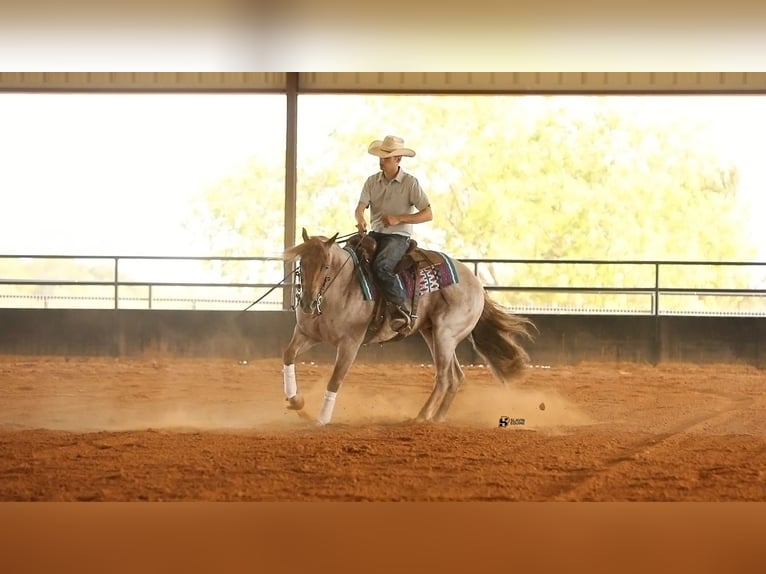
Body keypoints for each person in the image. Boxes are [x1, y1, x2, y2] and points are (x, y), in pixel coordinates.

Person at [354, 135, 433, 333]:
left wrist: (400, 219)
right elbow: (360, 207)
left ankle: (401, 310)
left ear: (398, 160)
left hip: (398, 237)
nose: (382, 160)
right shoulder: (372, 181)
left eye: (387, 157)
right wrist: (360, 219)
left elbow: (428, 213)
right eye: (381, 157)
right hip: (375, 234)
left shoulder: (410, 183)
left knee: (382, 266)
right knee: (349, 258)